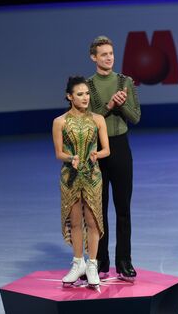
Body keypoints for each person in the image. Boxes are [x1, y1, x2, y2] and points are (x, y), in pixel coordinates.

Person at [87, 36, 141, 281]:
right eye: (103, 54)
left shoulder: (125, 81)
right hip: (96, 150)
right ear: (93, 57)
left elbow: (136, 117)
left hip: (120, 148)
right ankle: (100, 261)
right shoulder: (87, 86)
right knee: (99, 210)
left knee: (123, 208)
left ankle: (124, 260)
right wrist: (109, 104)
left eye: (111, 53)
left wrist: (120, 106)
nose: (109, 57)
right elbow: (88, 120)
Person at [52, 76, 110, 288]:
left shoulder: (98, 119)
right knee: (75, 222)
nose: (85, 97)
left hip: (93, 176)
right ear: (70, 97)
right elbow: (59, 153)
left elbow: (107, 149)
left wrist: (97, 155)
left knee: (94, 221)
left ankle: (92, 264)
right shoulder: (59, 122)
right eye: (80, 94)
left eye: (87, 93)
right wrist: (71, 158)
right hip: (70, 176)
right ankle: (78, 263)